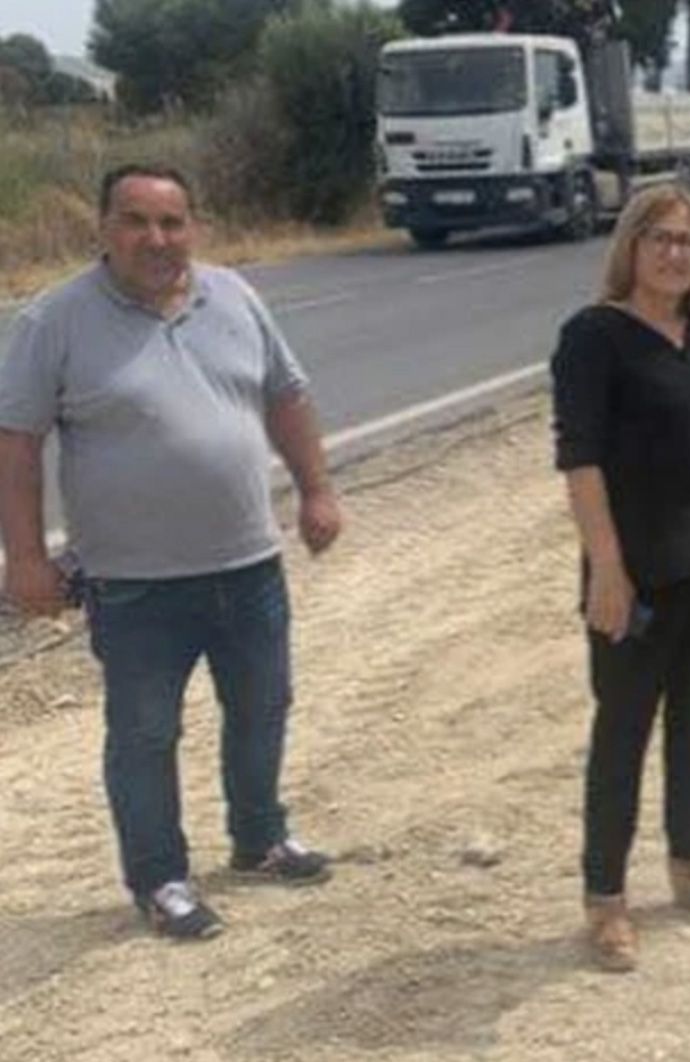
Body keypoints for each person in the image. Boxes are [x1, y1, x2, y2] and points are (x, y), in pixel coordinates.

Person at [0, 164, 342, 941]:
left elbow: (285, 394)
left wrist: (317, 490)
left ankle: (259, 839)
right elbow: (16, 443)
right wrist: (24, 558)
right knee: (146, 735)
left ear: (194, 226)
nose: (157, 239)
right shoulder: (54, 321)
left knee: (262, 707)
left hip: (249, 564)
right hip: (136, 584)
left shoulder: (234, 296)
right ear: (103, 230)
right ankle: (160, 879)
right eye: (136, 221)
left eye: (172, 222)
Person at [550, 184, 690, 973]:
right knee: (622, 735)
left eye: (688, 241)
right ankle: (605, 900)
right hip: (636, 577)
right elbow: (580, 462)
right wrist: (606, 572)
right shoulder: (593, 338)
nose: (675, 252)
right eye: (660, 239)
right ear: (631, 248)